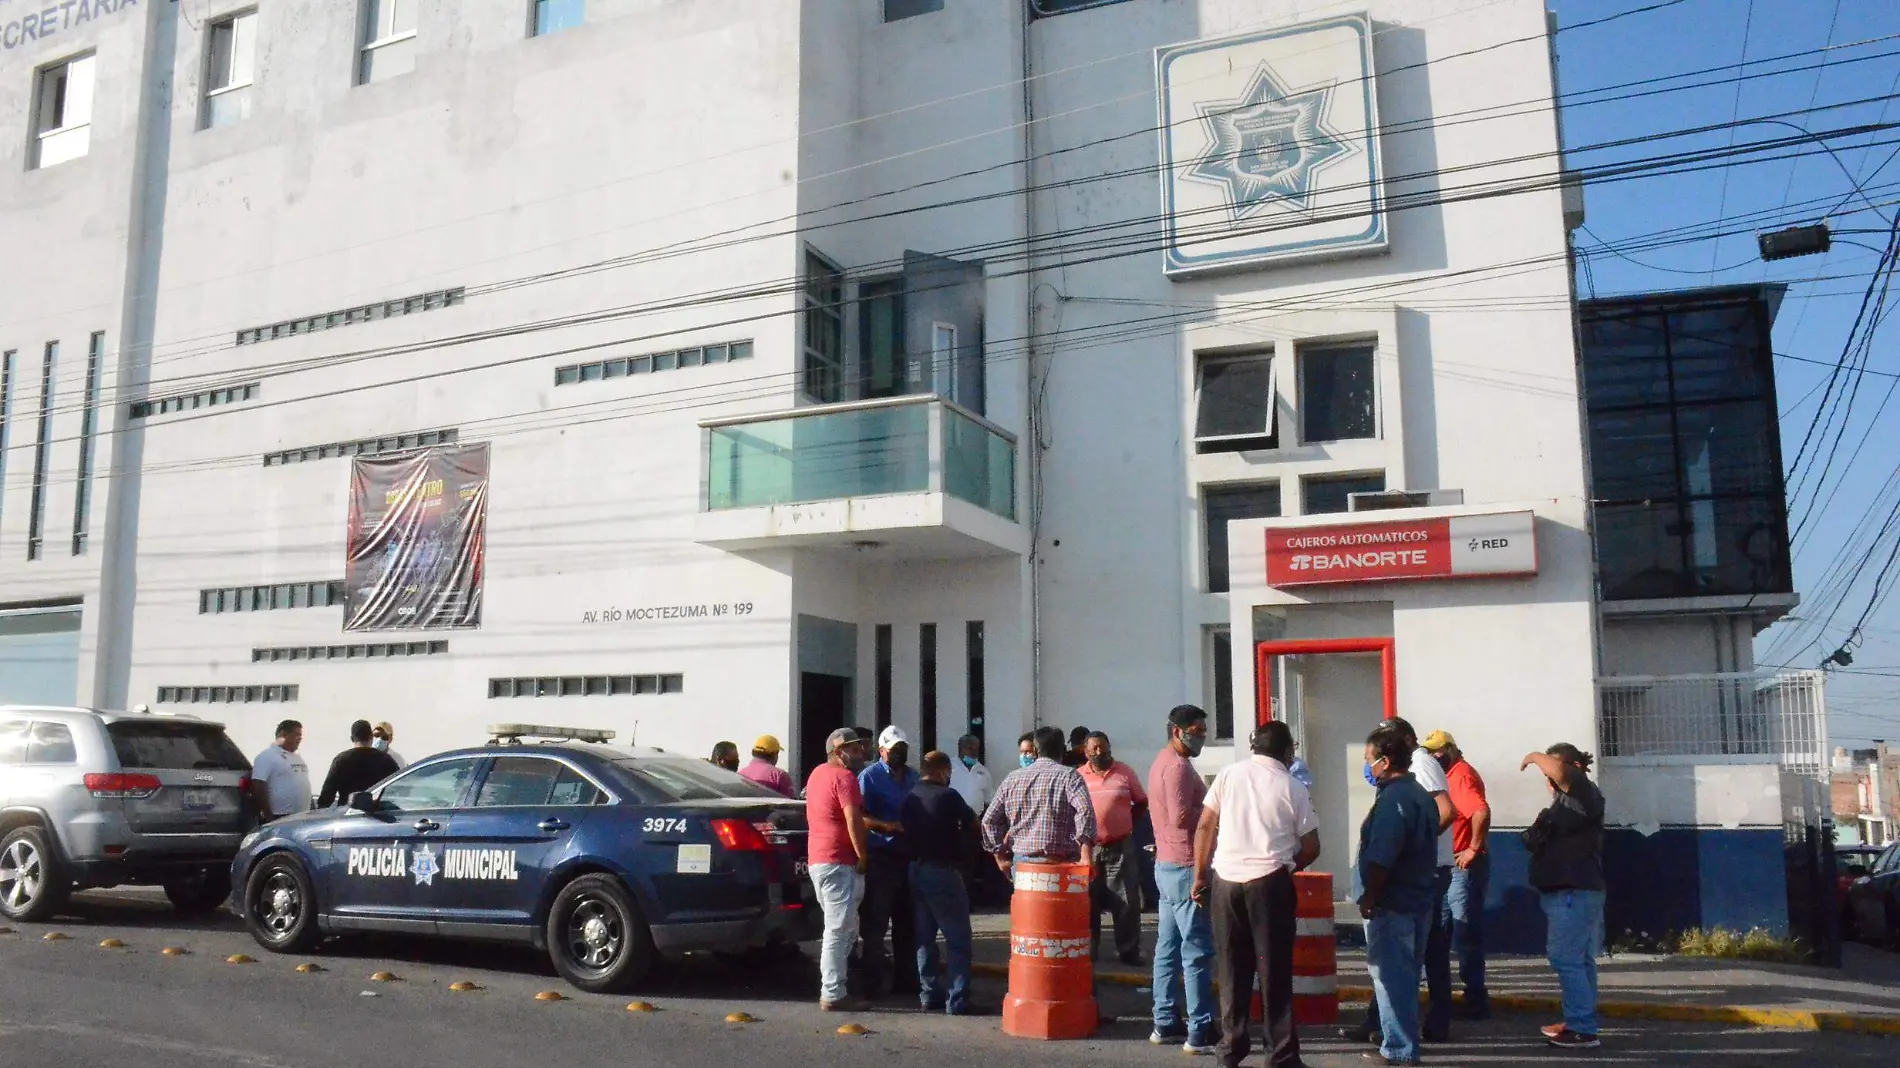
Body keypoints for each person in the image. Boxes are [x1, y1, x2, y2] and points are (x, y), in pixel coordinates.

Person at [1192, 720, 1319, 1068]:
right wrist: (1290, 865)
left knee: (1232, 968)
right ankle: (1280, 1054)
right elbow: (1312, 844)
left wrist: (1199, 876)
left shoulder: (1228, 775)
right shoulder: (1293, 786)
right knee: (1273, 970)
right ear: (1287, 751)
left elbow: (1205, 826)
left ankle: (1230, 1049)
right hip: (1269, 883)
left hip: (1226, 881)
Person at [1347, 716, 1455, 1047]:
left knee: (1392, 976)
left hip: (1394, 901)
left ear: (1386, 760)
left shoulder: (1395, 800)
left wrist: (1369, 895)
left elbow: (1383, 855)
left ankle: (1399, 1048)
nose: (1368, 766)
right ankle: (1398, 1039)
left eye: (1370, 760)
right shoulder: (1416, 794)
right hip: (1417, 896)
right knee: (1404, 975)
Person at [1521, 743, 1606, 1052]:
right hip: (1566, 892)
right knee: (1579, 961)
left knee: (1566, 959)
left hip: (1573, 893)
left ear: (1574, 767)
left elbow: (1558, 770)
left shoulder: (1584, 792)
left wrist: (1533, 756)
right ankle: (1579, 1021)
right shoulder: (1563, 804)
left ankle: (1583, 1028)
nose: (1548, 776)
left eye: (1550, 770)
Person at [1148, 705, 1216, 1052]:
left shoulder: (1163, 761)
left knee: (1168, 947)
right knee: (1197, 950)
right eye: (1197, 729)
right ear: (1178, 730)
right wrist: (1213, 810)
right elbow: (1180, 817)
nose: (1201, 735)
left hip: (1166, 864)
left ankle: (1164, 1021)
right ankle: (1200, 1027)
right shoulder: (1177, 767)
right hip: (1185, 865)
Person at [901, 750, 979, 1015]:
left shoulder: (910, 797)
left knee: (925, 937)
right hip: (943, 871)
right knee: (958, 939)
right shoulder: (949, 796)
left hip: (916, 869)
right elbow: (974, 823)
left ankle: (929, 994)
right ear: (944, 771)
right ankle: (957, 1000)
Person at [1422, 730, 1492, 1021]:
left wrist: (1472, 849)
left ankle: (1475, 997)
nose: (1434, 756)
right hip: (1452, 865)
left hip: (1462, 866)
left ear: (1450, 749)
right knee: (1444, 931)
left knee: (1464, 933)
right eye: (1431, 751)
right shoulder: (1448, 776)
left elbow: (1480, 811)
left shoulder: (1460, 775)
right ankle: (1455, 996)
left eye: (1438, 751)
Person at [807, 727, 871, 1012]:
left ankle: (837, 985)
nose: (860, 754)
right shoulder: (845, 778)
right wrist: (863, 855)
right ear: (839, 752)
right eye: (854, 750)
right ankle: (833, 992)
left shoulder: (817, 774)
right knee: (838, 928)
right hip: (839, 862)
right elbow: (853, 819)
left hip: (819, 860)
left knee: (845, 927)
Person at [858, 725, 920, 997]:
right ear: (882, 750)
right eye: (894, 749)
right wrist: (887, 827)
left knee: (908, 924)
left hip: (909, 858)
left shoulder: (914, 777)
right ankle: (871, 983)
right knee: (876, 924)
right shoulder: (869, 777)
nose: (899, 753)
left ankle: (905, 981)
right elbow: (859, 817)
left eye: (903, 748)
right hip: (881, 859)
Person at [982, 725, 1097, 872]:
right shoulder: (1069, 776)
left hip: (1022, 865)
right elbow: (1085, 811)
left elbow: (989, 820)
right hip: (1061, 864)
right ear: (1063, 749)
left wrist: (1000, 857)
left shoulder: (1012, 779)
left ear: (1035, 750)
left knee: (1025, 896)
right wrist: (1086, 856)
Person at [1080, 730, 1148, 966]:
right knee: (1088, 903)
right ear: (1086, 752)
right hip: (1089, 849)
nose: (1100, 752)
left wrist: (1124, 823)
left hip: (1120, 846)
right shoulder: (1078, 776)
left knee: (1127, 902)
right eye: (1094, 748)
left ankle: (1129, 951)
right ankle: (1089, 953)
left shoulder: (1124, 772)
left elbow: (1141, 803)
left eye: (1103, 747)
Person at [316, 719, 400, 808]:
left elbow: (327, 795)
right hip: (378, 815)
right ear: (371, 737)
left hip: (348, 813)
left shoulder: (341, 760)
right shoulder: (386, 760)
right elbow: (399, 788)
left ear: (352, 738)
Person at [250, 720, 311, 824]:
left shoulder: (297, 757)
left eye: (300, 735)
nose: (300, 738)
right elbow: (258, 784)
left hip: (302, 814)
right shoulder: (267, 756)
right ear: (283, 735)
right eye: (296, 734)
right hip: (279, 816)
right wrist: (267, 815)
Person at [948, 734, 994, 813]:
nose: (974, 752)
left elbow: (989, 797)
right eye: (970, 748)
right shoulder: (949, 767)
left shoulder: (983, 770)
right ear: (960, 748)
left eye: (976, 748)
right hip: (953, 818)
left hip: (976, 819)